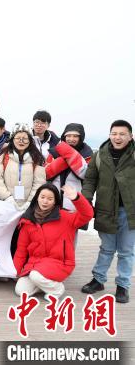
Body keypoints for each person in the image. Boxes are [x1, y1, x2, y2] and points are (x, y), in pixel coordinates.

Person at [81, 120, 135, 304]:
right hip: (105, 209)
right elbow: (90, 180)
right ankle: (98, 280)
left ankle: (123, 285)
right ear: (110, 135)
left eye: (122, 134)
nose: (117, 137)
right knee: (106, 248)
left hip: (130, 212)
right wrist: (86, 200)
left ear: (130, 136)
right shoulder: (99, 155)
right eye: (114, 133)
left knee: (126, 251)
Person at [14, 184, 93, 300]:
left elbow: (87, 215)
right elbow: (21, 250)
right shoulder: (28, 220)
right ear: (37, 198)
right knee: (21, 291)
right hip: (35, 264)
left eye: (50, 199)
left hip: (60, 263)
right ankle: (43, 285)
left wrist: (76, 198)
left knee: (35, 275)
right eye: (42, 197)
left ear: (55, 201)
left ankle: (57, 289)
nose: (45, 201)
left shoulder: (65, 217)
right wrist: (16, 272)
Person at [0, 123, 46, 211]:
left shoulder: (37, 158)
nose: (21, 141)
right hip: (6, 204)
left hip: (28, 207)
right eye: (18, 138)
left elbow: (39, 182)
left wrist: (30, 202)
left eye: (25, 138)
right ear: (12, 139)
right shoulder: (3, 156)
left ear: (30, 140)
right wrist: (7, 197)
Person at [45, 123, 92, 211]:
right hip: (53, 201)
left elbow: (86, 175)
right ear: (64, 137)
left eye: (75, 136)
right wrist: (63, 159)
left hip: (75, 202)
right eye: (68, 136)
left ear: (81, 138)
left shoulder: (87, 155)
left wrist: (68, 154)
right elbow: (45, 174)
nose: (71, 139)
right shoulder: (54, 152)